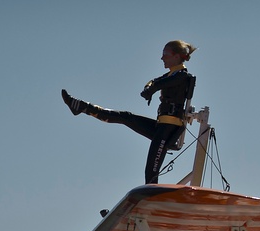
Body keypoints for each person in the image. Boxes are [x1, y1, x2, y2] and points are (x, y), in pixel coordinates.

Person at [61, 40, 197, 184]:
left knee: (151, 170)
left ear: (176, 56)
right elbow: (153, 82)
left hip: (169, 129)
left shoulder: (182, 75)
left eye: (165, 54)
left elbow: (160, 84)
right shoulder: (169, 75)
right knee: (126, 117)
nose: (162, 58)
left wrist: (152, 89)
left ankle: (151, 197)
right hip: (160, 126)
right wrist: (148, 87)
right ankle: (82, 107)